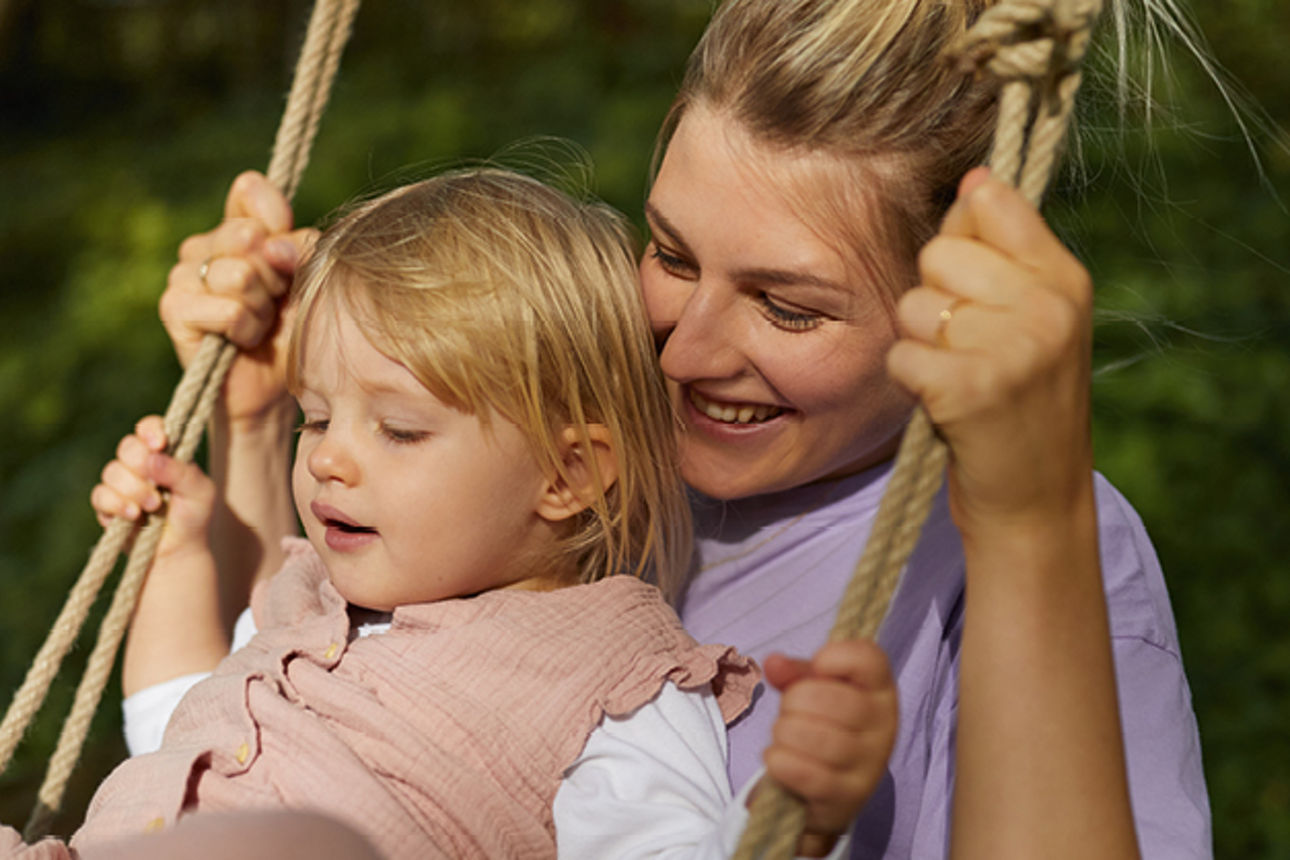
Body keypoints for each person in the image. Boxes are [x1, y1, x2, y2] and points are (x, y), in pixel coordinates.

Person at [122, 0, 1214, 857]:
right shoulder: (556, 431)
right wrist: (259, 423)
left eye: (788, 306)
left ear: (953, 307)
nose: (683, 353)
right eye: (673, 256)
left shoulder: (1039, 553)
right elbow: (267, 700)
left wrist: (1031, 524)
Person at [6, 169, 895, 860]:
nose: (325, 456)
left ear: (567, 473)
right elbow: (169, 728)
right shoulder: (310, 598)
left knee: (306, 847)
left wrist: (793, 817)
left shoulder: (610, 681)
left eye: (397, 429)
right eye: (316, 417)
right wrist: (178, 557)